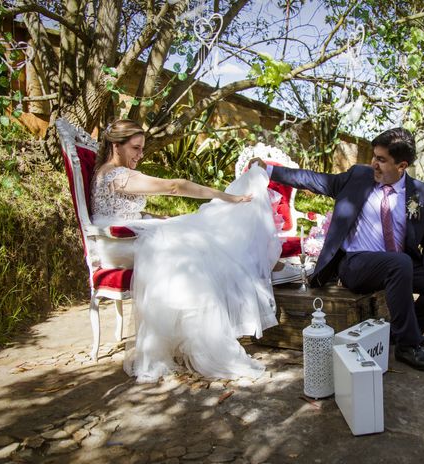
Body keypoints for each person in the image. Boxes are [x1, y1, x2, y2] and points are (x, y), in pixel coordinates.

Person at [252, 127, 424, 372]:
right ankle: (408, 346)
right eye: (374, 156)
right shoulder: (357, 177)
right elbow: (312, 179)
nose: (373, 163)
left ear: (402, 165)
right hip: (356, 265)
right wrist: (268, 169)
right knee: (400, 263)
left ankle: (408, 331)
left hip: (399, 266)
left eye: (382, 160)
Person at [91, 119, 282, 382]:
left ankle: (193, 337)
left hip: (120, 239)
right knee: (189, 250)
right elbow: (175, 186)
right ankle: (203, 343)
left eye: (142, 149)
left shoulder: (111, 172)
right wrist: (227, 197)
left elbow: (124, 211)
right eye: (136, 148)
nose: (140, 155)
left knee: (192, 239)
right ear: (116, 146)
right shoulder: (117, 175)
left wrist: (154, 219)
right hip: (117, 245)